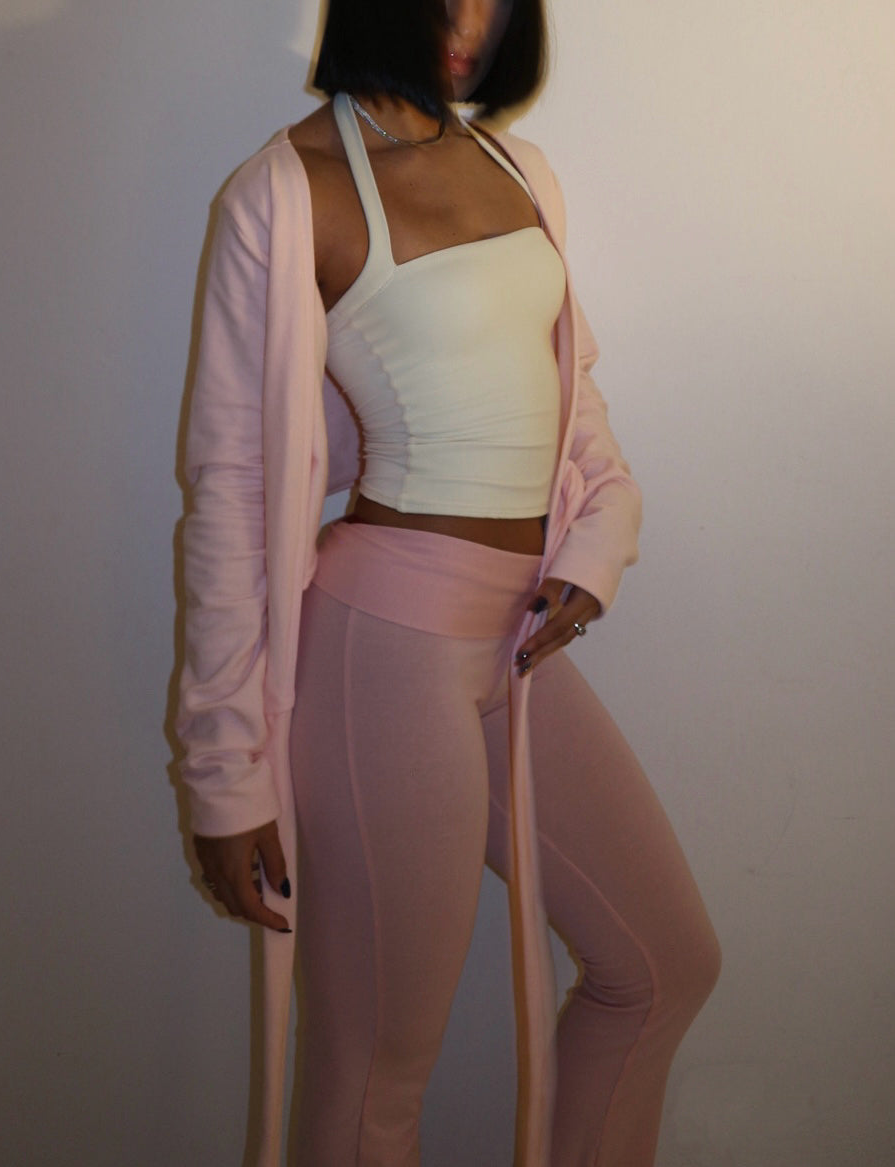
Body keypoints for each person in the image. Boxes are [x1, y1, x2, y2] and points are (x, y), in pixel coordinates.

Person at [177, 1, 721, 1164]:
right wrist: (224, 774)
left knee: (662, 966)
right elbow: (229, 491)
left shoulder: (516, 167)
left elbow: (571, 394)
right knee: (376, 1073)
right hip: (385, 647)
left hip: (515, 639)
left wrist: (597, 542)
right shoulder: (286, 192)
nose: (470, 21)